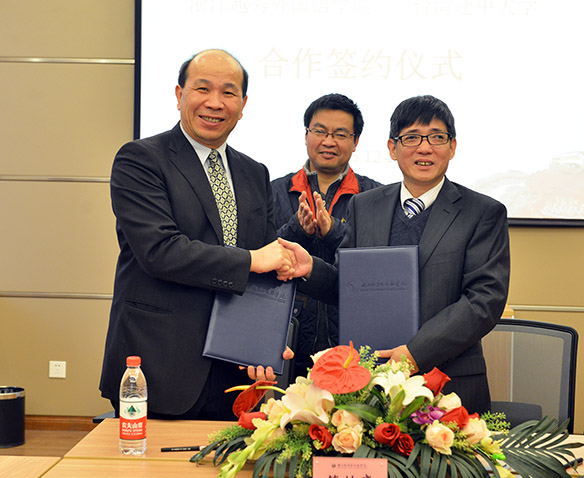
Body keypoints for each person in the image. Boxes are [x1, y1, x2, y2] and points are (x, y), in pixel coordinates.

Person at [99, 49, 297, 420]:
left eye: (228, 92)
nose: (215, 103)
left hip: (234, 370)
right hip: (159, 362)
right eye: (203, 89)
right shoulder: (140, 159)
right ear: (179, 95)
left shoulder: (254, 172)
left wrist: (266, 341)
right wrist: (251, 260)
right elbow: (160, 251)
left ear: (243, 104)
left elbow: (265, 271)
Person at [281, 95, 510, 414]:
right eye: (412, 138)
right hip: (371, 382)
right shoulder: (365, 205)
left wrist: (416, 353)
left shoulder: (482, 212)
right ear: (392, 148)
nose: (424, 148)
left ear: (452, 147)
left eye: (437, 137)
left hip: (451, 382)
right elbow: (350, 286)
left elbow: (484, 301)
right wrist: (311, 269)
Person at [271, 93, 380, 379]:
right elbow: (260, 255)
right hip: (287, 342)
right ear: (306, 135)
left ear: (355, 142)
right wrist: (297, 229)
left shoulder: (376, 196)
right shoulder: (272, 192)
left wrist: (334, 232)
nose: (328, 141)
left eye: (340, 134)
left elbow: (375, 266)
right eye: (320, 131)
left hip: (353, 342)